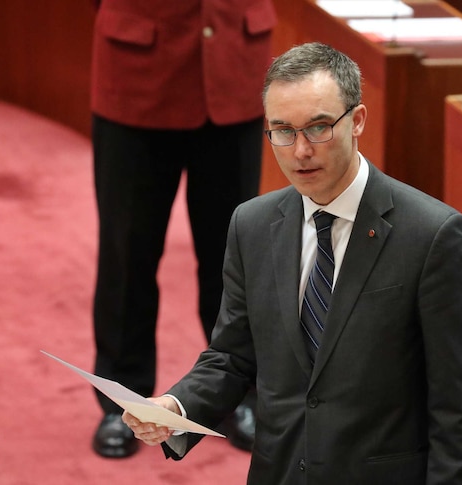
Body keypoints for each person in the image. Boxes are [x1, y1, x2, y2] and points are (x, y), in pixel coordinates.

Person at [122, 42, 462, 484]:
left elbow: (460, 407)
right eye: (282, 130)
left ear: (357, 121)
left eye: (318, 128)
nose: (299, 151)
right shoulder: (252, 224)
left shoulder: (432, 235)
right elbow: (233, 355)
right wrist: (176, 407)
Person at [88, 0, 275, 457]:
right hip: (138, 71)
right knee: (127, 253)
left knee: (236, 259)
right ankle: (122, 400)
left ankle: (238, 392)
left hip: (234, 68)